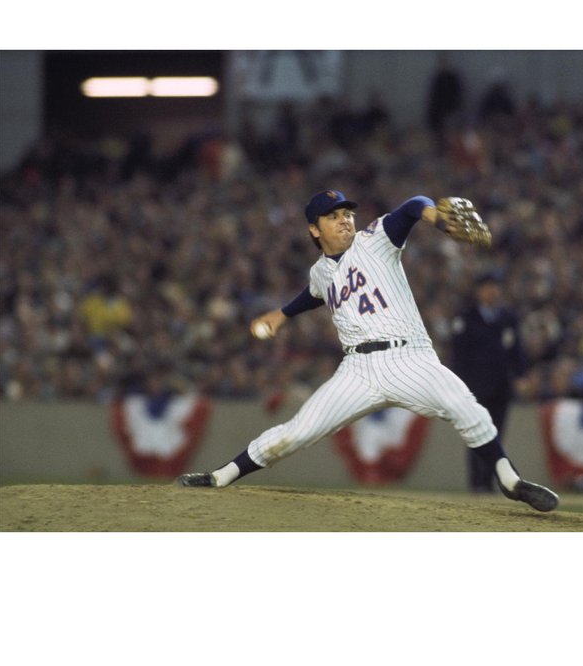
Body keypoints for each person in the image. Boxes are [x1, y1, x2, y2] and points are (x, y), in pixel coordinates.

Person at [177, 190, 559, 513]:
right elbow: (312, 295)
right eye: (332, 217)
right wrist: (282, 314)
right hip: (357, 369)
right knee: (295, 433)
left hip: (408, 358)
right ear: (314, 229)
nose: (344, 220)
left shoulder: (375, 239)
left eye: (347, 214)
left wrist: (434, 217)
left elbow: (412, 205)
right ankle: (220, 476)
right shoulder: (320, 273)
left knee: (466, 407)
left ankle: (510, 481)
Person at [450, 271, 526, 492]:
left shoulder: (508, 318)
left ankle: (491, 482)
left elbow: (517, 351)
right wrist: (459, 384)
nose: (492, 291)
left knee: (496, 434)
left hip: (501, 387)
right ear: (479, 291)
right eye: (488, 286)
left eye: (495, 286)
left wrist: (520, 375)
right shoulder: (467, 318)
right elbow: (459, 355)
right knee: (476, 433)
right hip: (475, 388)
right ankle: (477, 483)